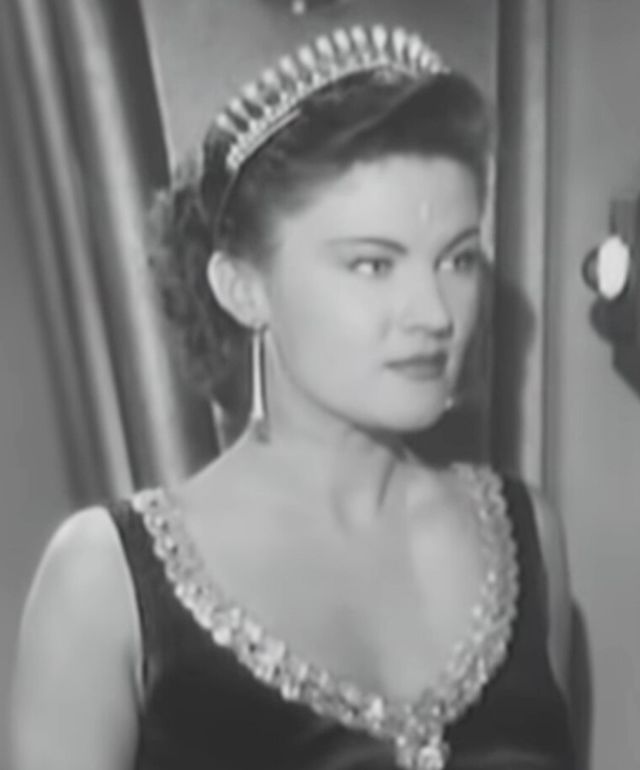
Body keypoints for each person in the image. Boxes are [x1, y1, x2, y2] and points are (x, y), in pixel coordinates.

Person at [10, 23, 575, 770]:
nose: (435, 314)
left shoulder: (527, 538)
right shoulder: (103, 581)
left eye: (458, 260)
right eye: (373, 265)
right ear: (242, 288)